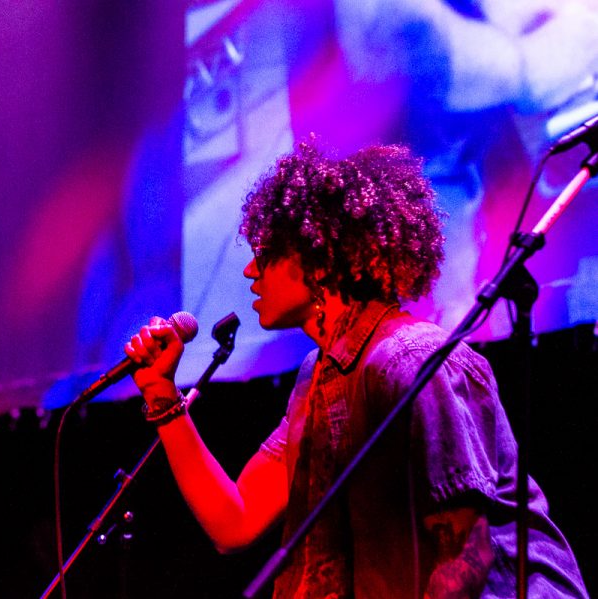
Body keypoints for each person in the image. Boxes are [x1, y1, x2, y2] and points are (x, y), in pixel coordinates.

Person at [124, 140, 586, 597]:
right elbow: (235, 522)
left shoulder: (408, 358)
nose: (249, 271)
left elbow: (467, 555)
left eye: (266, 253)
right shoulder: (317, 376)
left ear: (319, 260)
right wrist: (159, 390)